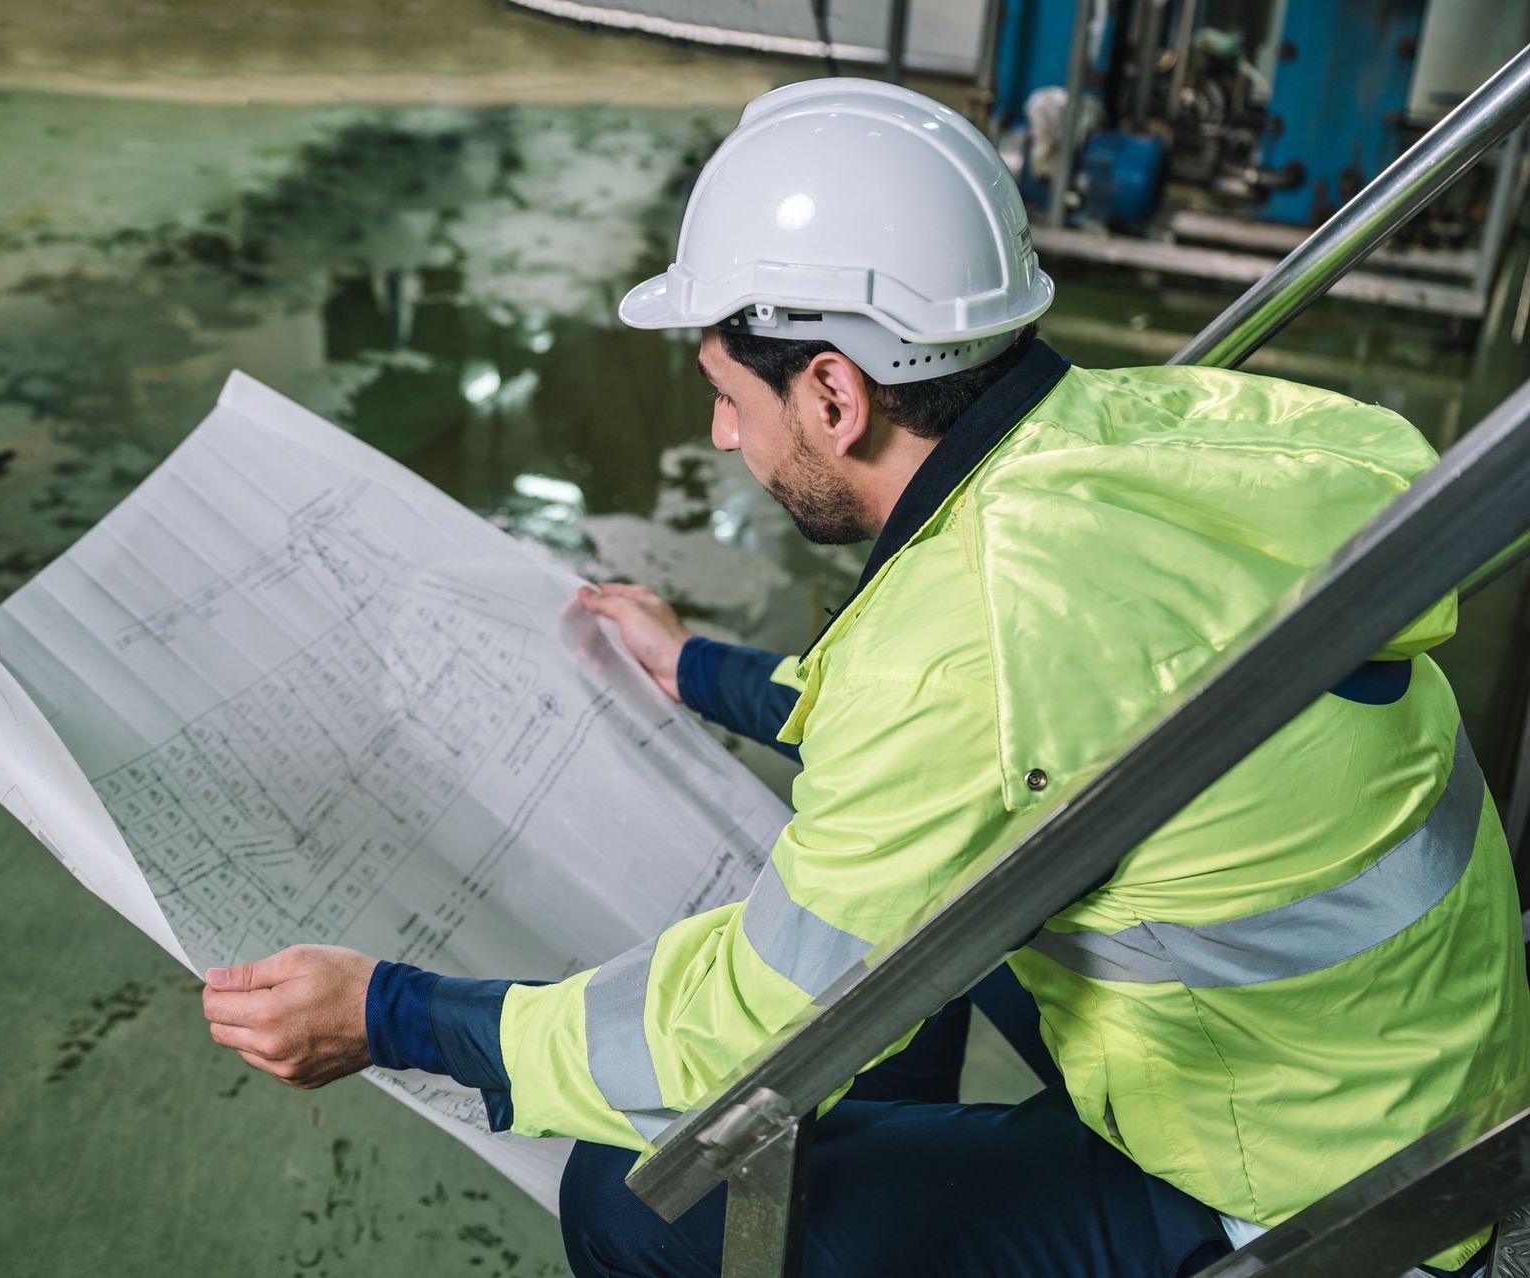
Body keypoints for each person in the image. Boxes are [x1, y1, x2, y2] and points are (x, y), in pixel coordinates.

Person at [199, 79, 1529, 1276]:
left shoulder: (963, 639)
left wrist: (397, 1013)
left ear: (834, 394)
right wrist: (696, 668)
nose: (721, 433)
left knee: (637, 1195)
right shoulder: (1137, 438)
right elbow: (1032, 710)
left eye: (730, 394)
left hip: (1327, 1206)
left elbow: (730, 1041)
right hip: (1401, 1073)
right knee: (903, 925)